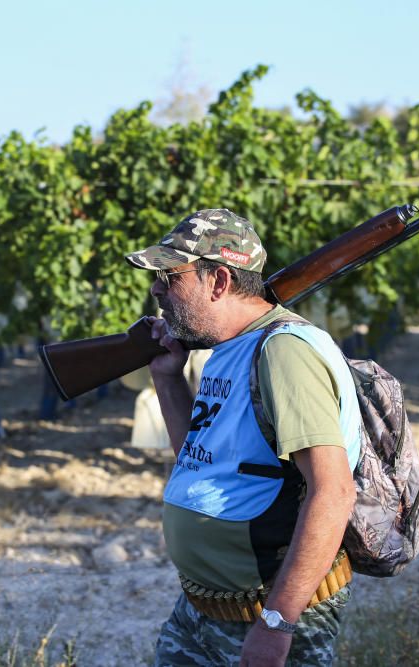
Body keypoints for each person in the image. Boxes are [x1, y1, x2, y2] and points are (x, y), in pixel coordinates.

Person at [125, 209, 362, 666]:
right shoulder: (227, 349)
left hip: (265, 610)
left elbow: (333, 492)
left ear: (217, 281)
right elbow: (203, 461)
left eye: (169, 276)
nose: (156, 289)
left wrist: (277, 624)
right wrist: (169, 380)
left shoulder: (285, 352)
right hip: (204, 609)